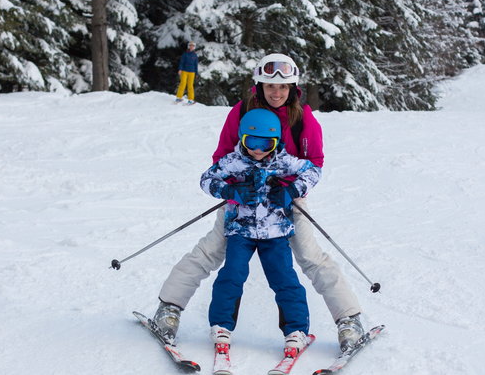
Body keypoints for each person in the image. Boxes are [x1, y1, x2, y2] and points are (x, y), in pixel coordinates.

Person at [152, 53, 366, 352]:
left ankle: (349, 320)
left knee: (309, 255)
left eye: (282, 87)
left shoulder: (303, 117)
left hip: (285, 198)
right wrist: (232, 189)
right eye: (269, 87)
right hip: (242, 200)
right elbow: (222, 157)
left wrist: (291, 189)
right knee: (211, 250)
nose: (276, 93)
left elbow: (314, 164)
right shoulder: (241, 112)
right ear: (259, 86)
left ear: (292, 87)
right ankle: (169, 308)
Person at [202, 108, 320, 357]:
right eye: (251, 141)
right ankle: (221, 325)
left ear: (276, 141)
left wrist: (292, 190)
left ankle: (296, 331)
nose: (258, 149)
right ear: (242, 138)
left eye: (266, 142)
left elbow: (313, 171)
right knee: (232, 275)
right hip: (240, 231)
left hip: (275, 231)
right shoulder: (233, 161)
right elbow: (206, 179)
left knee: (284, 279)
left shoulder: (284, 160)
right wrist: (230, 192)